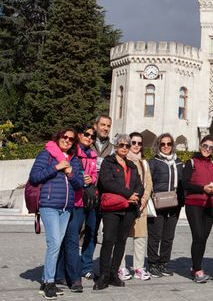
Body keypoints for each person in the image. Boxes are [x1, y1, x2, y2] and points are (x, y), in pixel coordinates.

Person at [29, 128, 84, 300]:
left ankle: (48, 280)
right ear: (58, 137)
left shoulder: (74, 160)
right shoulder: (46, 155)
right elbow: (34, 177)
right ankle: (47, 283)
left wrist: (70, 173)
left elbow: (79, 184)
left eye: (71, 139)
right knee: (53, 244)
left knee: (57, 244)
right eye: (64, 137)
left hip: (65, 208)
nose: (67, 140)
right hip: (49, 205)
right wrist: (56, 167)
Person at [94, 134, 144, 290]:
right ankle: (104, 275)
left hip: (129, 208)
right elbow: (107, 183)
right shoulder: (108, 163)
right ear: (115, 146)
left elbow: (139, 184)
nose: (124, 148)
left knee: (121, 241)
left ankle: (114, 272)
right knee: (108, 240)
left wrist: (136, 195)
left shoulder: (132, 165)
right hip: (112, 208)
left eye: (127, 146)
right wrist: (128, 194)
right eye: (121, 145)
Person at [55, 125, 99, 292]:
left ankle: (67, 275)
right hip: (68, 199)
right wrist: (81, 176)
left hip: (82, 201)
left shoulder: (92, 156)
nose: (89, 138)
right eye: (86, 134)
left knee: (72, 237)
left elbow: (94, 174)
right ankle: (69, 276)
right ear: (79, 135)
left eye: (92, 136)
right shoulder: (73, 152)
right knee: (67, 238)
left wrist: (91, 178)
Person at [182, 135, 213, 283]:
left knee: (203, 238)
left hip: (210, 205)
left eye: (211, 147)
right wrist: (202, 188)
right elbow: (185, 183)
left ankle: (195, 267)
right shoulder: (191, 163)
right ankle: (198, 270)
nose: (207, 149)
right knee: (198, 236)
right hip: (194, 204)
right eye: (205, 146)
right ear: (200, 145)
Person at [146, 133, 184, 277]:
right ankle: (152, 263)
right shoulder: (153, 162)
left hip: (174, 204)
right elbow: (148, 182)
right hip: (157, 203)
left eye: (169, 144)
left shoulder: (178, 162)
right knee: (155, 235)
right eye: (163, 144)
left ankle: (163, 263)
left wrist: (182, 199)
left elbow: (182, 182)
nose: (166, 146)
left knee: (168, 236)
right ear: (158, 146)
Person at [120, 132, 153, 281]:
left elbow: (148, 182)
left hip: (141, 204)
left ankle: (138, 267)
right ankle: (120, 267)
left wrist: (144, 198)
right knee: (122, 236)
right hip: (125, 203)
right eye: (133, 142)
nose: (136, 146)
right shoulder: (122, 160)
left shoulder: (143, 163)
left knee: (140, 237)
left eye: (139, 143)